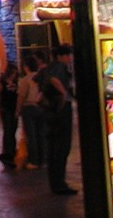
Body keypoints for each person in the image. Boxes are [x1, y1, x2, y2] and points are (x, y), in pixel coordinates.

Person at [40, 44, 77, 195]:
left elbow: (40, 82)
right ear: (60, 56)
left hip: (50, 111)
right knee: (61, 148)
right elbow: (54, 79)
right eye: (67, 55)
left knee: (53, 148)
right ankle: (59, 183)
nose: (70, 58)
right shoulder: (59, 68)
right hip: (60, 111)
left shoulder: (47, 68)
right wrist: (63, 93)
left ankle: (56, 182)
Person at [17, 54, 46, 170]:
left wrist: (18, 110)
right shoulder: (42, 78)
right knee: (41, 134)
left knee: (31, 135)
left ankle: (33, 160)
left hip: (29, 108)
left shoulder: (25, 80)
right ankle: (43, 160)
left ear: (26, 67)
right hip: (41, 107)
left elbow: (21, 97)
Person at [0, 62, 20, 170]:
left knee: (13, 129)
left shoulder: (16, 81)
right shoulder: (2, 82)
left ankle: (12, 150)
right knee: (8, 130)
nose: (14, 75)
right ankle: (7, 152)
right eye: (13, 73)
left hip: (14, 108)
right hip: (6, 108)